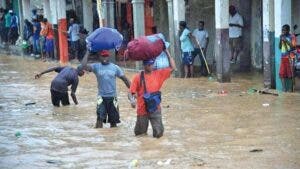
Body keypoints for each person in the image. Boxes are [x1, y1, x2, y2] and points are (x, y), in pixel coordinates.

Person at [129, 50, 176, 138]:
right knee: (140, 135)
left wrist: (168, 54)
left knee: (159, 133)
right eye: (149, 65)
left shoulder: (159, 74)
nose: (151, 66)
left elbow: (173, 68)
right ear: (144, 65)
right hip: (142, 109)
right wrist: (132, 100)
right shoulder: (137, 77)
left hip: (155, 108)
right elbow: (131, 92)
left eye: (152, 64)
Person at [81, 50, 131, 128]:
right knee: (99, 119)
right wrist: (88, 52)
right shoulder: (96, 66)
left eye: (106, 56)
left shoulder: (115, 67)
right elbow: (83, 66)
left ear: (109, 57)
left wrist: (133, 91)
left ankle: (112, 139)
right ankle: (99, 138)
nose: (104, 58)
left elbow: (125, 79)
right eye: (102, 56)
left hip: (113, 97)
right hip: (101, 97)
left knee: (114, 121)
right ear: (99, 57)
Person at [279, 24, 296, 92]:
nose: (283, 32)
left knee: (290, 74)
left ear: (288, 30)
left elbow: (293, 47)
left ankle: (290, 88)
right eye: (282, 30)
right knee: (281, 73)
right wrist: (281, 40)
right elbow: (280, 47)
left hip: (290, 57)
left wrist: (286, 41)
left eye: (284, 30)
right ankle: (283, 88)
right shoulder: (282, 37)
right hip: (283, 57)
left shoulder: (292, 37)